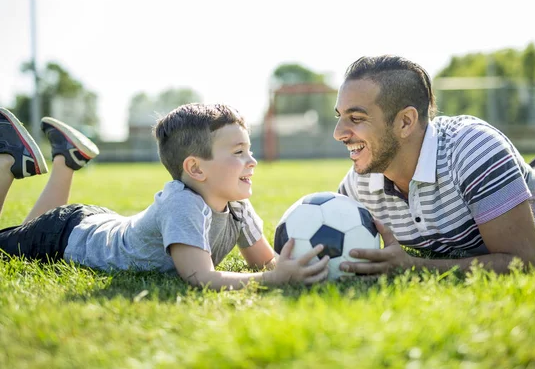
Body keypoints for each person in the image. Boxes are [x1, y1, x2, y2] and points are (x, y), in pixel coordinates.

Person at [0, 104, 329, 289]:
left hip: (91, 221)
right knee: (19, 241)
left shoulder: (238, 206)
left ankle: (65, 159)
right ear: (196, 169)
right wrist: (274, 280)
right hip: (65, 237)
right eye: (239, 152)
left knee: (29, 232)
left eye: (250, 150)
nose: (252, 161)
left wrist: (304, 267)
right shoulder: (183, 204)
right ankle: (8, 158)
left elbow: (265, 261)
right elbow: (200, 277)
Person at [333, 55, 535, 275]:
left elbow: (524, 263)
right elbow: (324, 243)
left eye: (356, 118)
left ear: (405, 122)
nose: (339, 133)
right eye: (340, 117)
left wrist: (415, 268)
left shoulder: (473, 147)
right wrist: (293, 270)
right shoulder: (361, 181)